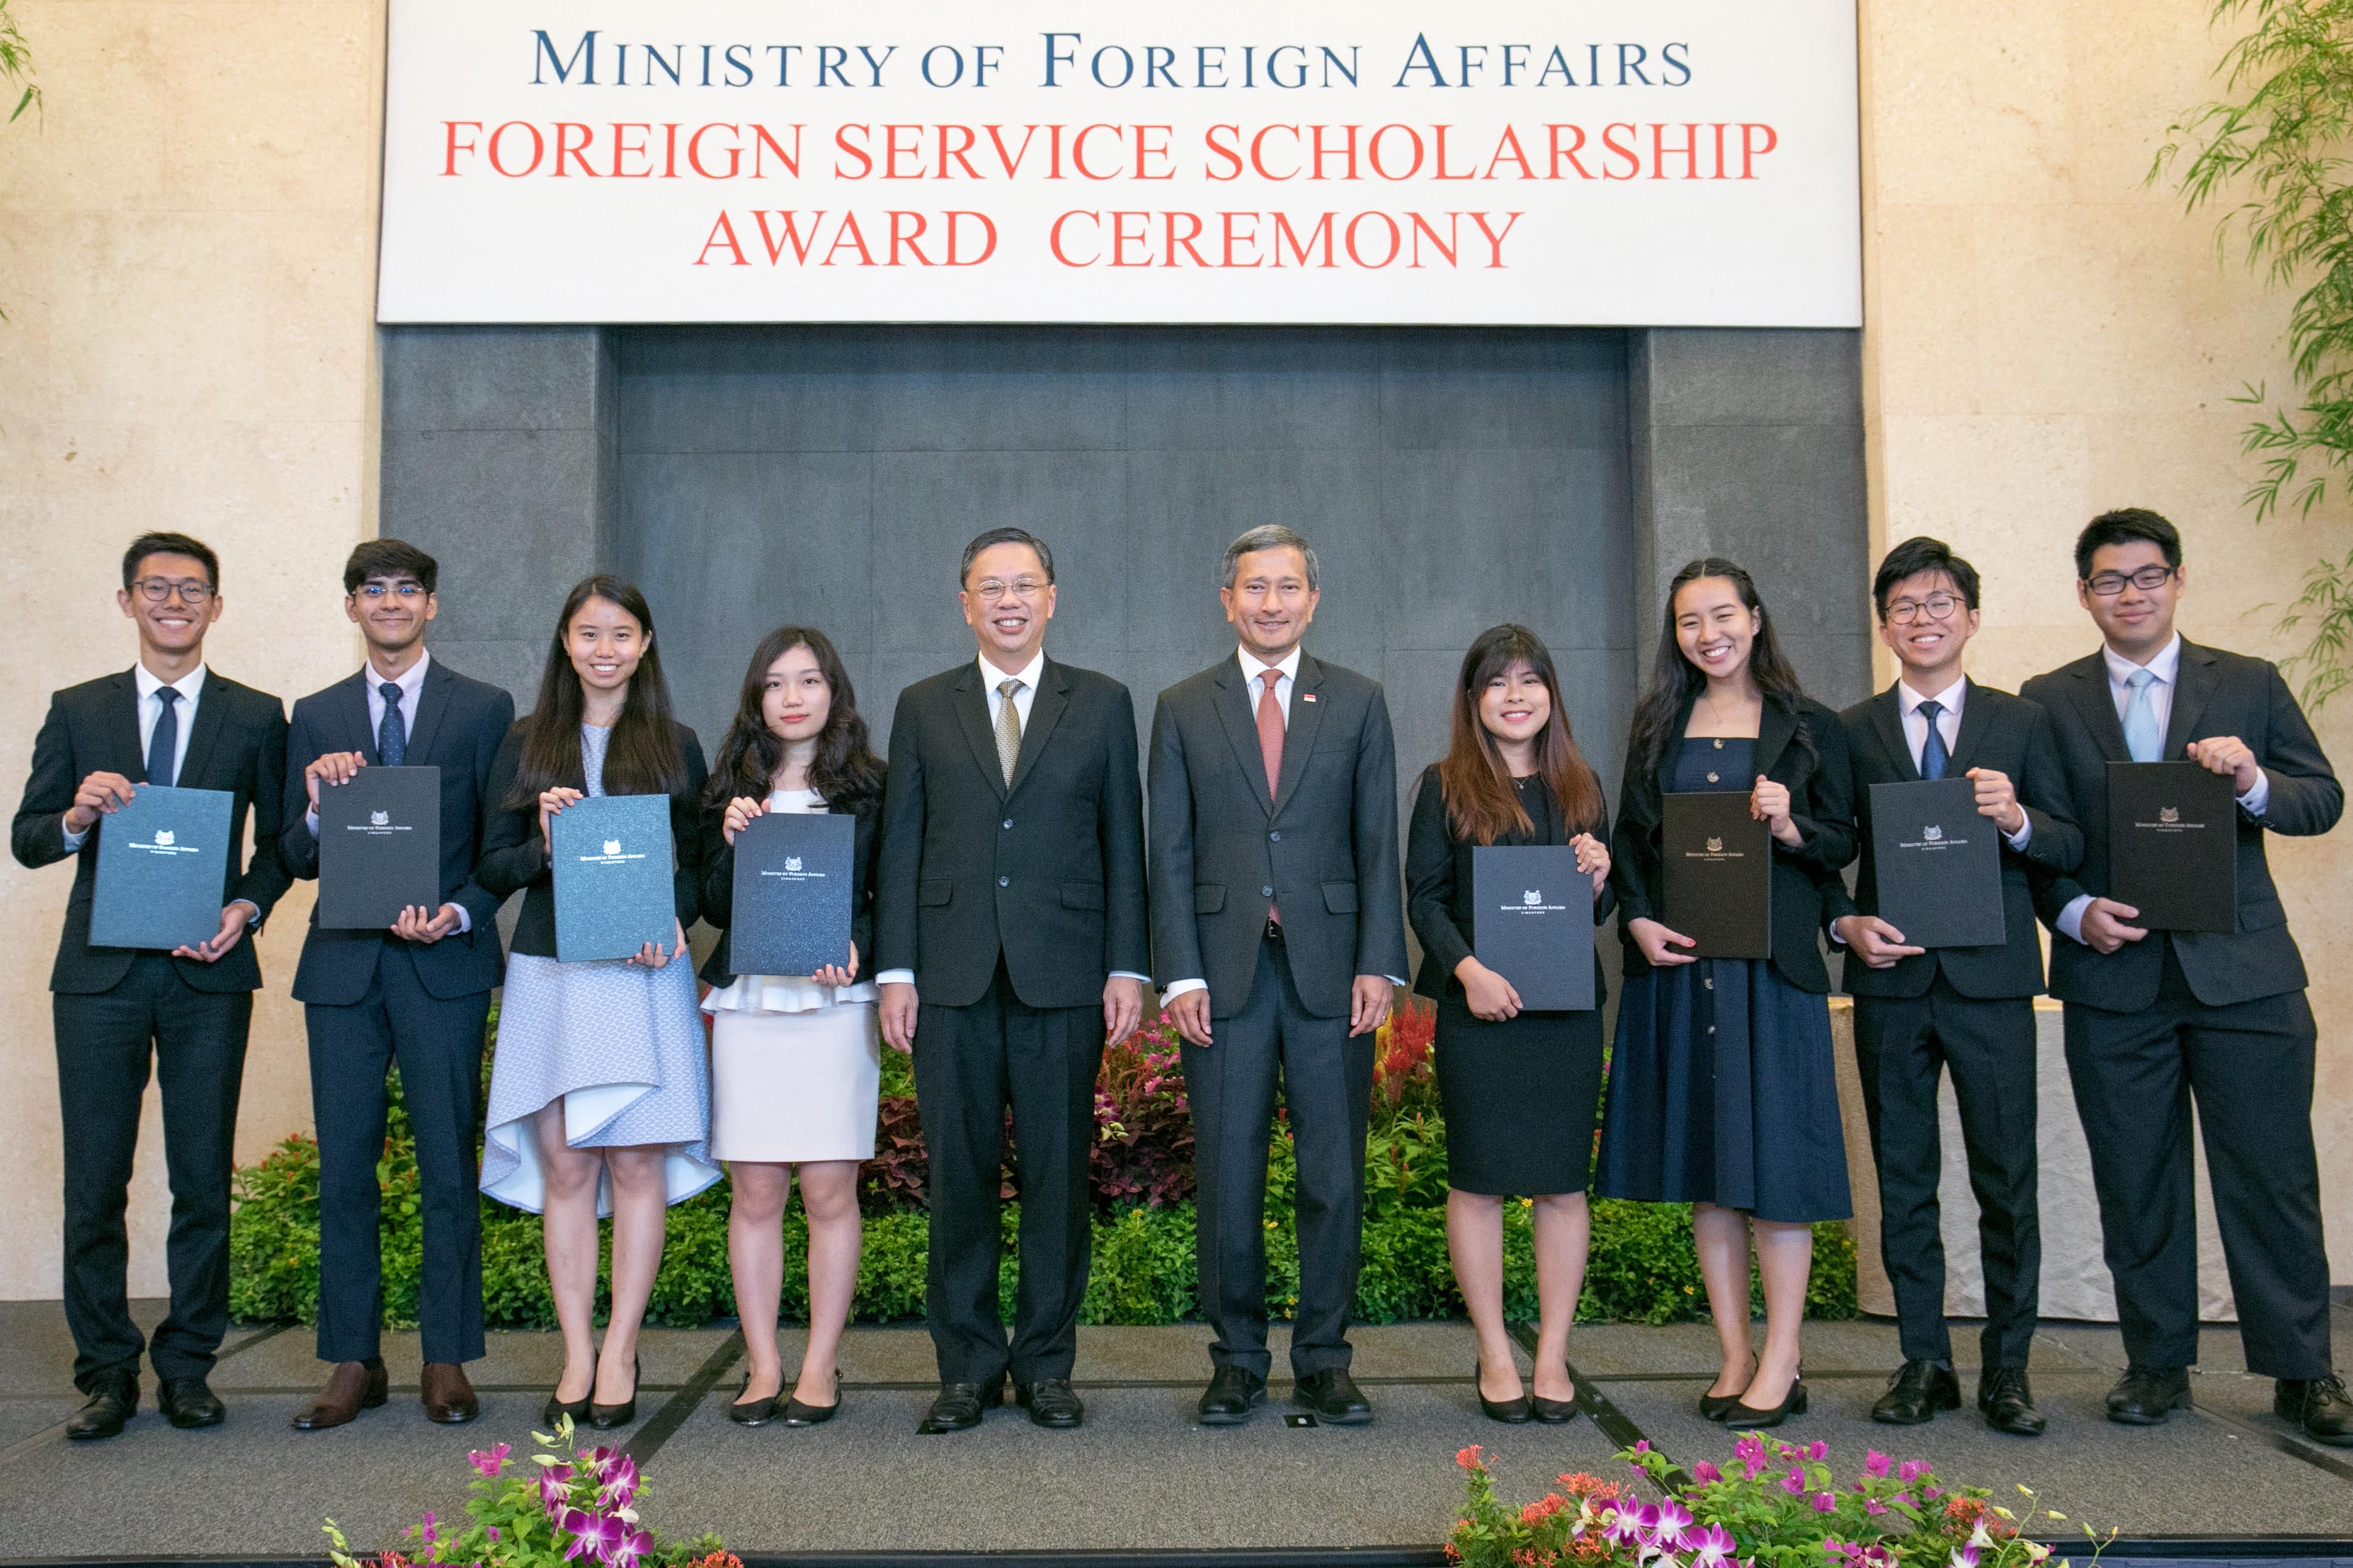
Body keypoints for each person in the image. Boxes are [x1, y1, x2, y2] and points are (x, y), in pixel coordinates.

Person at [2022, 508, 2350, 1445]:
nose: (2132, 593)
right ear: (2084, 593)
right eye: (2112, 580)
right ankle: (2156, 1361)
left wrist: (2252, 781)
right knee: (2137, 1176)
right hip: (2114, 975)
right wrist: (2074, 909)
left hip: (2244, 975)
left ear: (2178, 581)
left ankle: (2303, 1371)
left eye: (2149, 576)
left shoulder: (2247, 685)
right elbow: (2043, 840)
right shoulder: (2048, 699)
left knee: (2273, 1175)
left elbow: (2320, 799)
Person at [11, 531, 291, 1441]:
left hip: (207, 972)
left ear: (217, 605)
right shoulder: (78, 707)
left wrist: (245, 907)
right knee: (97, 1181)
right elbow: (27, 836)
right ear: (127, 600)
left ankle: (186, 1366)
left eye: (193, 588)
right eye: (157, 587)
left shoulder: (256, 715)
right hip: (99, 978)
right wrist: (78, 816)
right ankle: (105, 1372)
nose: (175, 601)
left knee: (203, 1179)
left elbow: (285, 843)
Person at [873, 527, 1149, 1435]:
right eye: (990, 587)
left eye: (1024, 584)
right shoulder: (922, 704)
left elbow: (1123, 844)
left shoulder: (1103, 703)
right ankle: (965, 1367)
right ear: (964, 602)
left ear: (1053, 596)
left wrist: (1125, 964)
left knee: (1059, 1178)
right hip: (949, 975)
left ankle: (1045, 1363)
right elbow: (902, 841)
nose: (1008, 600)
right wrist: (897, 968)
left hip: (1064, 973)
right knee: (958, 1177)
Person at [1147, 524, 1410, 1428]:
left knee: (1332, 1174)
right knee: (1229, 1176)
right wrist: (1177, 974)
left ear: (1313, 597)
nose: (1271, 602)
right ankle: (1237, 1360)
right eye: (1254, 588)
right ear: (1228, 600)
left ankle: (1327, 1358)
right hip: (1221, 979)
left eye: (1287, 586)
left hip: (1335, 976)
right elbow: (1169, 852)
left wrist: (1382, 959)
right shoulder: (1183, 706)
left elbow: (1380, 843)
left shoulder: (1360, 701)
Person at [1823, 537, 2082, 1437]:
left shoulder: (2024, 722)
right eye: (1904, 605)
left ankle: (2008, 1367)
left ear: (1972, 617)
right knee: (1902, 1178)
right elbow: (1824, 853)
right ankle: (1924, 1357)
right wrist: (1842, 921)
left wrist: (2016, 818)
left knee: (2007, 1178)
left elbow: (2069, 841)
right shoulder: (1850, 730)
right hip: (1891, 982)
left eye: (1940, 603)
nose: (1923, 618)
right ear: (1884, 623)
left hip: (1991, 981)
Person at [1594, 557, 1856, 1429]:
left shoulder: (1809, 725)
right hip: (1687, 971)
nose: (1708, 634)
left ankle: (1783, 1355)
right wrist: (1634, 919)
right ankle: (1736, 1351)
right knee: (1713, 1172)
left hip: (1773, 973)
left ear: (1754, 614)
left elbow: (1841, 842)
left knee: (1778, 1168)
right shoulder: (1659, 726)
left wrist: (1789, 824)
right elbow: (1631, 845)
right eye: (1689, 622)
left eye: (1722, 615)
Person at [279, 539, 516, 1431]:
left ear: (432, 605)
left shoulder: (484, 709)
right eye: (372, 590)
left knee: (448, 1164)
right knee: (345, 1168)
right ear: (351, 607)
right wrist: (311, 802)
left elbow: (501, 846)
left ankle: (446, 1356)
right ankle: (353, 1357)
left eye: (406, 589)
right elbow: (294, 857)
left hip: (441, 965)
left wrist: (457, 913)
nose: (389, 602)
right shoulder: (316, 713)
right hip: (342, 966)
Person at [476, 574, 719, 1431]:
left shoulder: (676, 744)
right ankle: (576, 1349)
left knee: (637, 1163)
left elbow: (696, 869)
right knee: (569, 1166)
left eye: (620, 634)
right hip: (554, 973)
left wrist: (671, 916)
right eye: (588, 634)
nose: (604, 649)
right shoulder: (524, 743)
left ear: (644, 644)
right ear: (566, 644)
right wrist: (540, 842)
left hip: (642, 975)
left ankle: (622, 1347)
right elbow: (491, 866)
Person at [1403, 624, 1611, 1426]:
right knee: (1479, 1182)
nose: (1515, 695)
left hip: (1563, 1013)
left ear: (1552, 694)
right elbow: (1424, 894)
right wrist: (1469, 972)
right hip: (1478, 1012)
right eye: (1497, 682)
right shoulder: (1446, 784)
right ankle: (1495, 1347)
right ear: (1473, 699)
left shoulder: (1583, 786)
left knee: (1563, 1184)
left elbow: (1604, 904)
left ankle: (1552, 1352)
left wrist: (1598, 872)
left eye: (1530, 680)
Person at [699, 627, 886, 1429]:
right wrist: (731, 840)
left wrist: (860, 948)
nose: (794, 697)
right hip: (752, 1005)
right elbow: (709, 904)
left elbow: (891, 894)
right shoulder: (731, 788)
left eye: (809, 681)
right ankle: (764, 1362)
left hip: (834, 1007)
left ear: (833, 692)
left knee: (828, 1186)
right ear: (757, 699)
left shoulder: (871, 789)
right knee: (758, 1186)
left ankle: (818, 1363)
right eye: (776, 684)